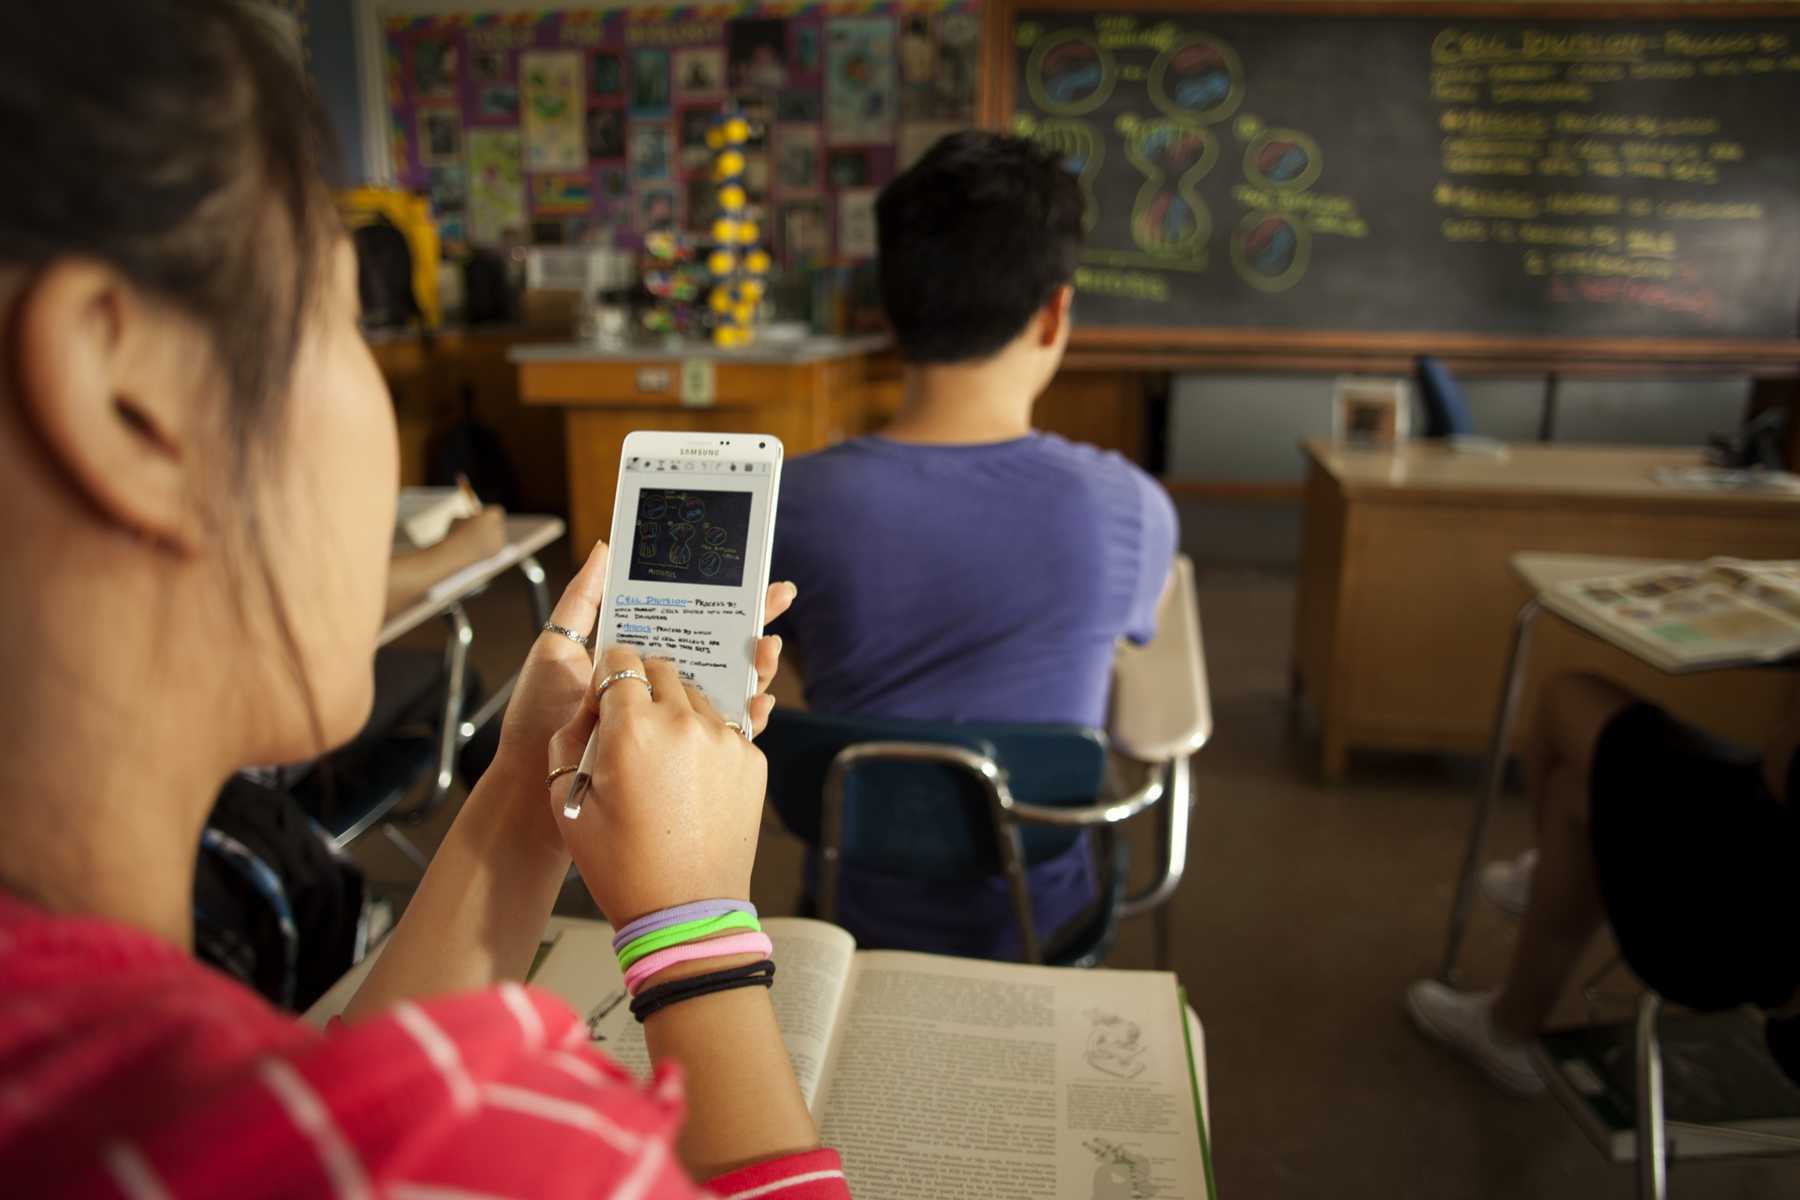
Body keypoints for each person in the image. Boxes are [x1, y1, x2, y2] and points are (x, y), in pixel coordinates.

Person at [0, 4, 845, 1196]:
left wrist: (526, 794)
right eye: (344, 319)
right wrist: (693, 925)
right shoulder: (498, 1152)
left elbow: (338, 1098)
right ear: (128, 397)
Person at [769, 131, 1178, 959]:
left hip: (849, 921)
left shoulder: (788, 502)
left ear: (890, 308)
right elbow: (1122, 657)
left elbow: (797, 662)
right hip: (1042, 923)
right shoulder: (1130, 506)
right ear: (1055, 311)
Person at [1406, 672, 1800, 1095]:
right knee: (1573, 793)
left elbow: (1782, 769)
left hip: (1727, 934)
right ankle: (1509, 1026)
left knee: (1566, 697)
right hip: (1765, 931)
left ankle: (1546, 900)